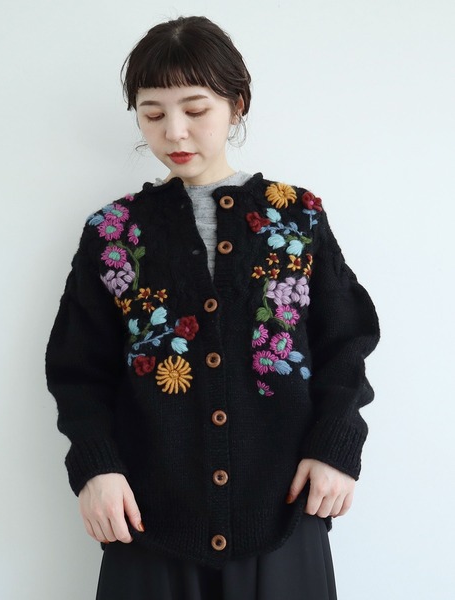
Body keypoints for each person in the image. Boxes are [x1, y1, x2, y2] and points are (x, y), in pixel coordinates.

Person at [45, 15, 380, 600]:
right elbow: (78, 370)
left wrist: (336, 446)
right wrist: (96, 468)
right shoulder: (113, 231)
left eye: (195, 110)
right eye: (152, 114)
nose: (174, 132)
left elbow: (346, 343)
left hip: (282, 512)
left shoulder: (295, 217)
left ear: (236, 105)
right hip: (146, 519)